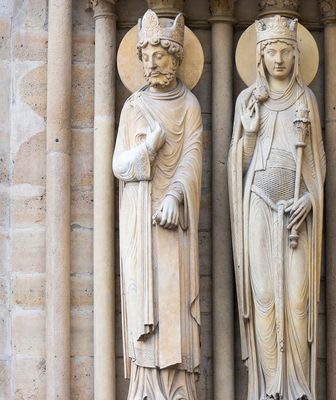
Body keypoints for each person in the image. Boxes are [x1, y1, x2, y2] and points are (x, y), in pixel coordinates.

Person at [228, 15, 325, 400]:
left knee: (297, 298)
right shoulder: (248, 101)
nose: (279, 59)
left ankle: (298, 385)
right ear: (260, 56)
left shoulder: (307, 100)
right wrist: (249, 133)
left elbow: (317, 165)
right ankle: (269, 387)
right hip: (259, 205)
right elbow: (238, 165)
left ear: (296, 55)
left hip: (295, 209)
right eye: (272, 51)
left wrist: (310, 199)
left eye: (286, 50)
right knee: (264, 297)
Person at [112, 10, 203, 400]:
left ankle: (178, 389)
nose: (151, 63)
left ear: (176, 58)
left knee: (174, 303)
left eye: (159, 55)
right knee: (142, 298)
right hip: (139, 223)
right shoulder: (133, 106)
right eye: (146, 55)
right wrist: (149, 146)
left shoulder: (190, 105)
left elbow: (193, 157)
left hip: (174, 220)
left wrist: (174, 195)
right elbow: (119, 165)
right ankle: (146, 389)